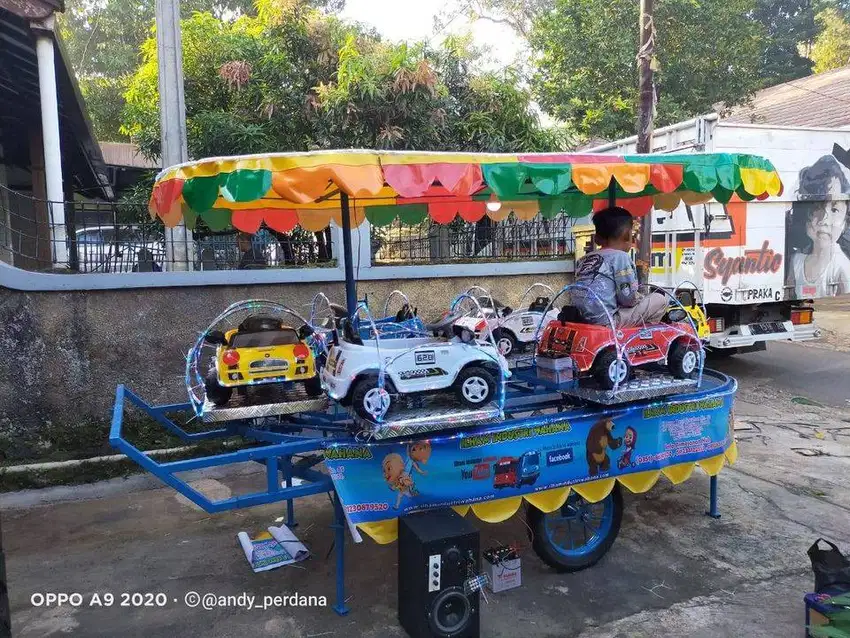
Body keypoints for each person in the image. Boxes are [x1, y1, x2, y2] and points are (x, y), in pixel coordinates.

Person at [572, 206, 667, 326]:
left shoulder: (584, 259)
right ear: (626, 235)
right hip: (607, 322)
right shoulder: (620, 257)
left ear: (597, 238)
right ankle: (641, 338)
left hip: (582, 319)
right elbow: (628, 299)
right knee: (659, 299)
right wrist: (641, 298)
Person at [786, 155, 850, 298]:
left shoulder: (842, 268)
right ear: (805, 214)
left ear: (845, 220)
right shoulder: (796, 261)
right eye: (817, 208)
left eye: (835, 210)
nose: (824, 219)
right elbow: (788, 295)